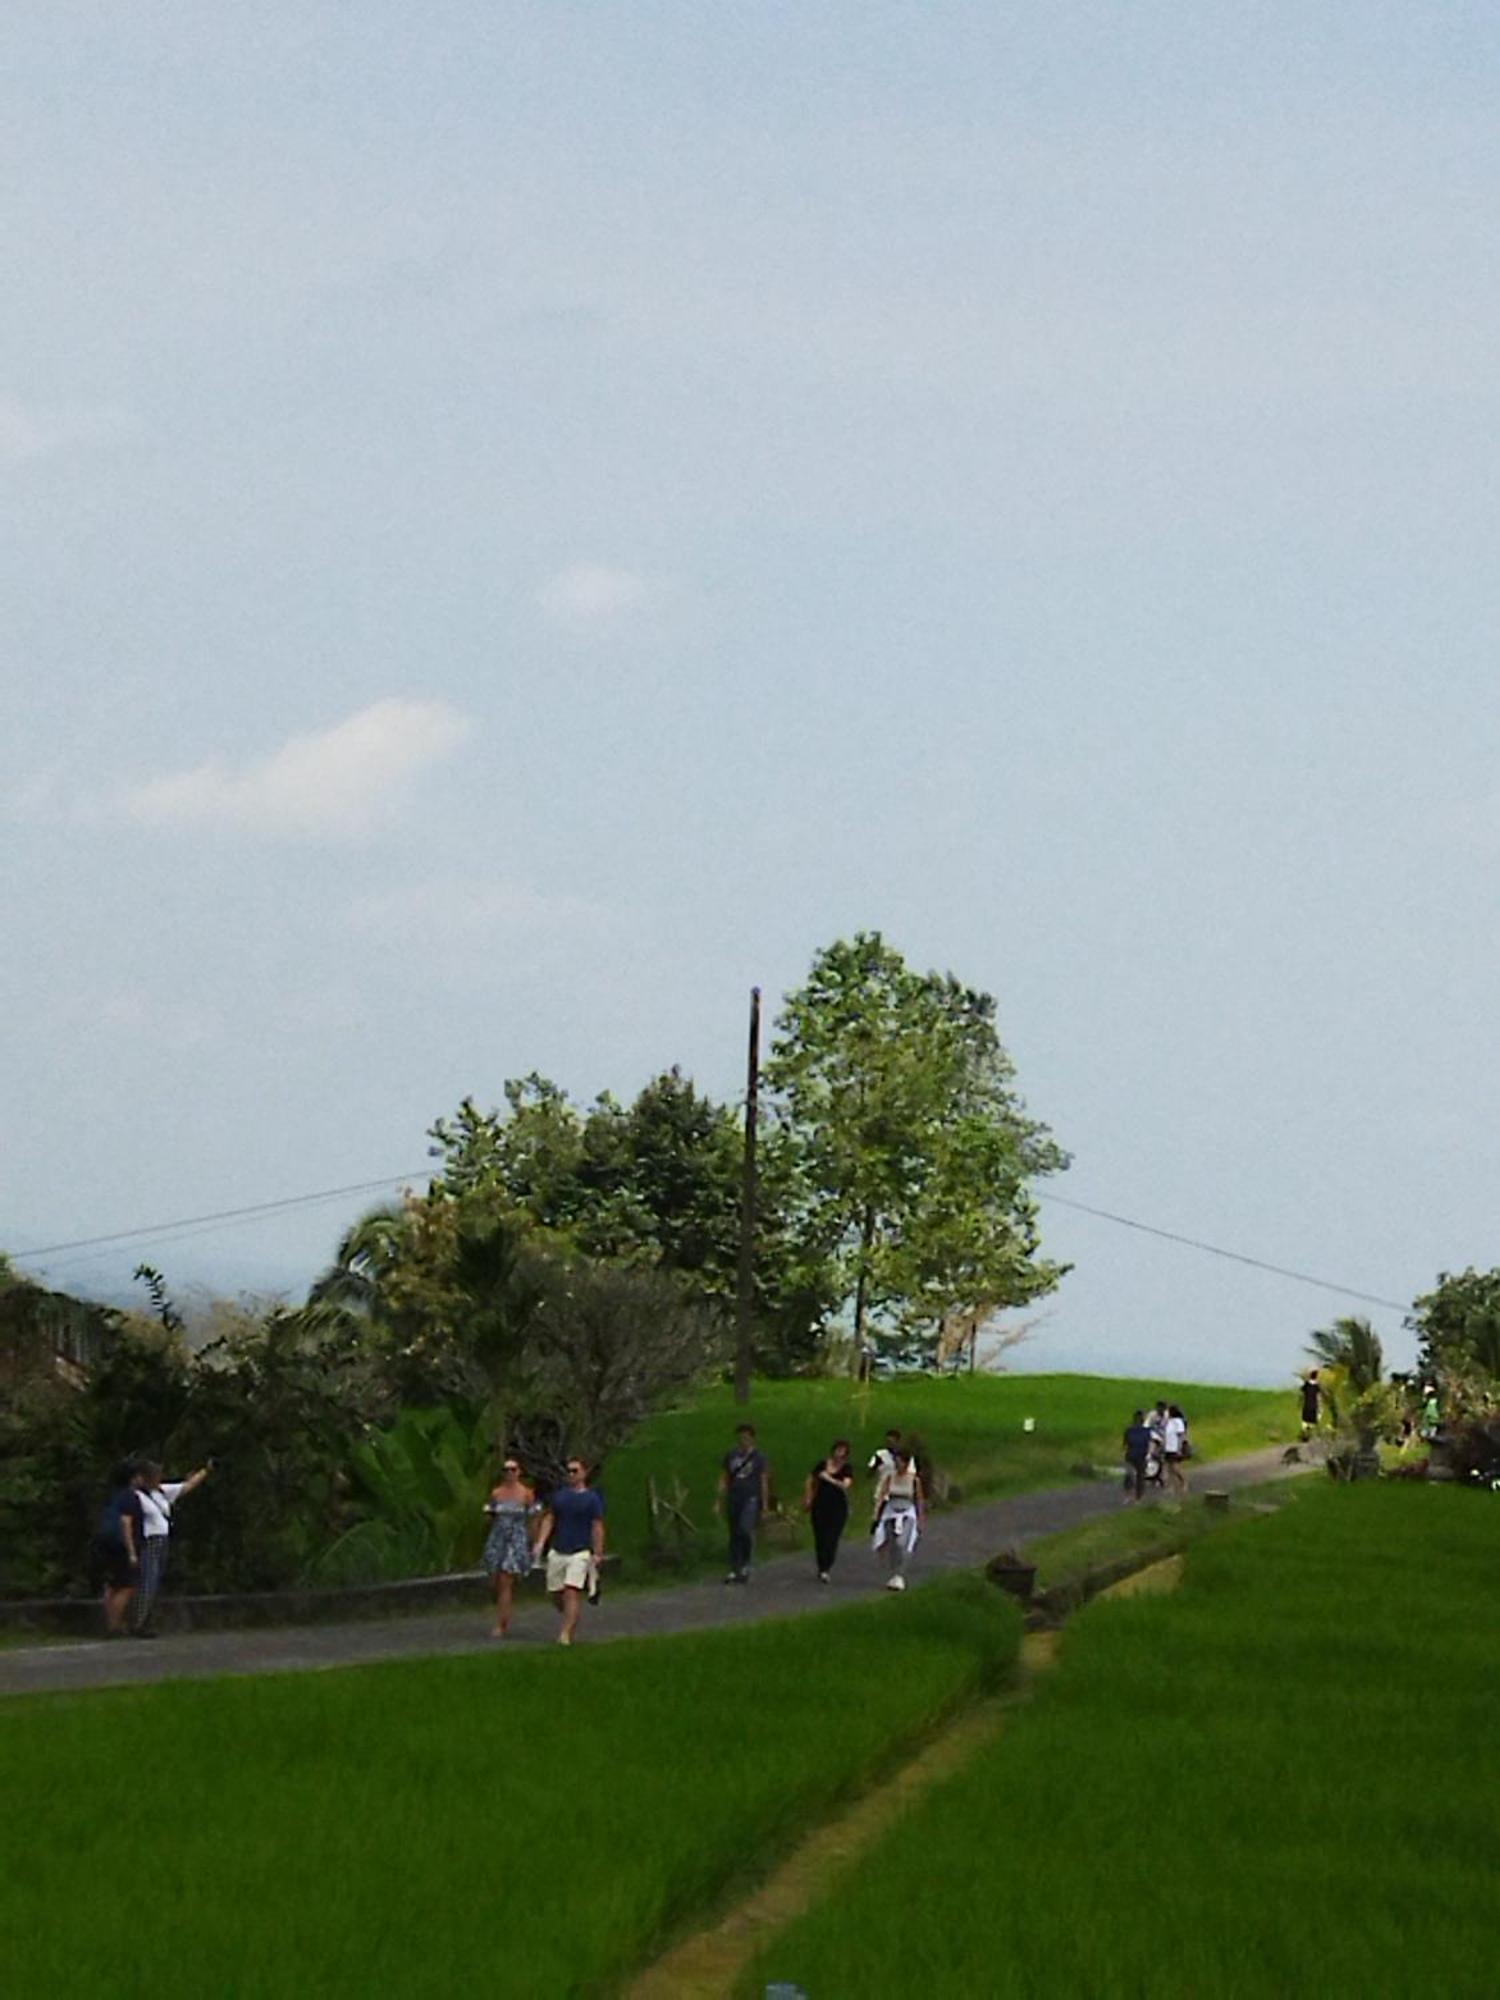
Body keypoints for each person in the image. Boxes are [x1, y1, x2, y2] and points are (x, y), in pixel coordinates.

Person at [133, 1458, 213, 1634]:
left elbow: (186, 1487)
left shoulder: (161, 1492)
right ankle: (139, 1622)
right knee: (148, 1580)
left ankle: (146, 1620)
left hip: (163, 1539)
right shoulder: (138, 1496)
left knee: (155, 1580)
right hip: (150, 1539)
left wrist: (205, 1471)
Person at [534, 1456, 605, 1646]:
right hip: (559, 1549)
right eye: (569, 1471)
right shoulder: (560, 1496)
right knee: (555, 1593)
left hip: (579, 1551)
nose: (571, 1475)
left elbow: (597, 1525)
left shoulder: (592, 1499)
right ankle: (570, 1615)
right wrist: (541, 1542)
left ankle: (565, 1634)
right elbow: (550, 1519)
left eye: (575, 1471)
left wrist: (598, 1552)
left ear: (584, 1473)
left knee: (571, 1591)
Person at [482, 1455, 539, 1639]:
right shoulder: (496, 1493)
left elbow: (533, 1518)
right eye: (506, 1470)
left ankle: (501, 1624)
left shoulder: (526, 1494)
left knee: (506, 1579)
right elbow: (490, 1516)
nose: (509, 1473)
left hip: (516, 1539)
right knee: (496, 1579)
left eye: (513, 1469)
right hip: (498, 1538)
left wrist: (533, 1541)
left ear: (519, 1472)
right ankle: (501, 1609)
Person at [88, 1461, 145, 1638]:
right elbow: (126, 1523)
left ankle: (112, 1623)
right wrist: (132, 1551)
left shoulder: (112, 1495)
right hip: (121, 1544)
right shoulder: (130, 1496)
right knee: (127, 1586)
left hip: (106, 1543)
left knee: (112, 1585)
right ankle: (115, 1626)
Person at [716, 1423, 769, 1584]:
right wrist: (719, 1499)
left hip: (750, 1497)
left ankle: (746, 1563)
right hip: (734, 1497)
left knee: (745, 1529)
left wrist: (765, 1504)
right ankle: (735, 1567)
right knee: (734, 1533)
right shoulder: (731, 1455)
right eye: (741, 1437)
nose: (743, 1440)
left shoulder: (759, 1457)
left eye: (746, 1437)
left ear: (752, 1439)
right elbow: (725, 1477)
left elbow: (763, 1480)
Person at [871, 1446, 924, 1592]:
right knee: (892, 1545)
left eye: (900, 1462)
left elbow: (919, 1499)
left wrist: (921, 1519)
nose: (897, 1464)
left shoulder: (914, 1480)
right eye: (896, 1461)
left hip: (907, 1513)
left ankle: (900, 1574)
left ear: (906, 1463)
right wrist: (876, 1515)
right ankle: (894, 1573)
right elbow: (882, 1496)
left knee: (903, 1543)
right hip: (890, 1513)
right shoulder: (890, 1477)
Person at [803, 1439, 854, 1581]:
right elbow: (810, 1479)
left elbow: (845, 1485)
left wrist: (828, 1478)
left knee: (832, 1537)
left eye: (843, 1451)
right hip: (820, 1505)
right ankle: (821, 1566)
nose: (839, 1454)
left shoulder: (846, 1468)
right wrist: (808, 1497)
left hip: (838, 1508)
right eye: (838, 1450)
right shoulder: (822, 1465)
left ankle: (827, 1567)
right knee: (820, 1537)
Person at [867, 1429, 902, 1519]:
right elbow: (870, 1471)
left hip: (899, 1490)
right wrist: (875, 1466)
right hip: (882, 1490)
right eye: (888, 1441)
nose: (890, 1444)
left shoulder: (903, 1456)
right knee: (879, 1516)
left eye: (893, 1442)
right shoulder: (880, 1454)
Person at [1122, 1410, 1153, 1503]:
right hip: (1132, 1455)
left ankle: (1137, 1497)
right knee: (1130, 1476)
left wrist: (1149, 1454)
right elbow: (1125, 1444)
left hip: (1141, 1456)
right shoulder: (1130, 1430)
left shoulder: (1146, 1431)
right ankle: (1131, 1495)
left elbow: (1150, 1444)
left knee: (1139, 1477)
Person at [1162, 1404, 1189, 1495]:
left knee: (1175, 1468)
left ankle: (1184, 1482)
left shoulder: (1178, 1422)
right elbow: (1166, 1434)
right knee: (1169, 1469)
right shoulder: (1169, 1422)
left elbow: (1181, 1436)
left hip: (1174, 1448)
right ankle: (1171, 1487)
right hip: (1168, 1448)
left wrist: (1179, 1448)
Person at [1299, 1371, 1321, 1439]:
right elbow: (1318, 1397)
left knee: (1305, 1419)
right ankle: (1309, 1432)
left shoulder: (1306, 1385)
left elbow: (1301, 1393)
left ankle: (1304, 1431)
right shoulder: (1317, 1386)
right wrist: (1320, 1405)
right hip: (1314, 1405)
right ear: (1316, 1377)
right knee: (1313, 1420)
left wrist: (1300, 1402)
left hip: (1306, 1404)